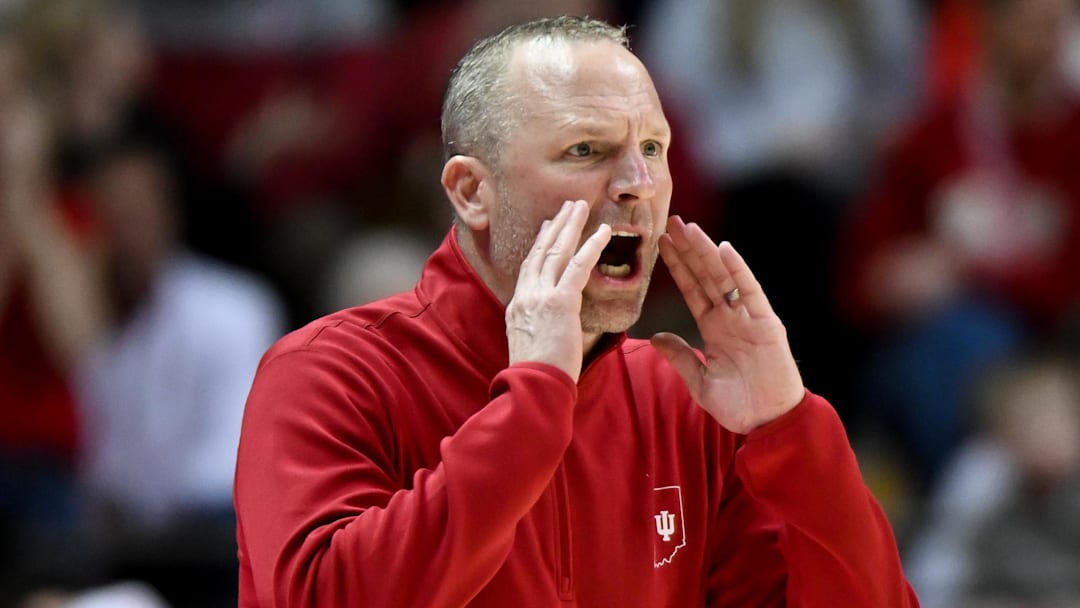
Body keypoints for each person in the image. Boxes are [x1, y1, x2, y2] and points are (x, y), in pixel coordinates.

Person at [234, 16, 917, 606]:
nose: (638, 186)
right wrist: (532, 405)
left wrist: (790, 429)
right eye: (585, 150)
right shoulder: (329, 374)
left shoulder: (687, 404)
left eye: (653, 148)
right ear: (473, 191)